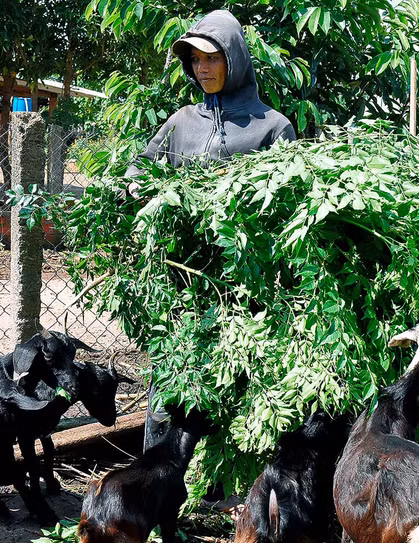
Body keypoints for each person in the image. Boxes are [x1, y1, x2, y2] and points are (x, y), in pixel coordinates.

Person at [127, 9, 296, 454]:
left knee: (238, 380)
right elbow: (140, 168)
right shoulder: (181, 122)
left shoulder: (273, 127)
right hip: (181, 278)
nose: (201, 69)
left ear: (234, 60)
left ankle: (230, 488)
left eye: (211, 58)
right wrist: (133, 186)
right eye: (194, 60)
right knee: (172, 377)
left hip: (242, 285)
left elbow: (286, 210)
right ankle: (157, 484)